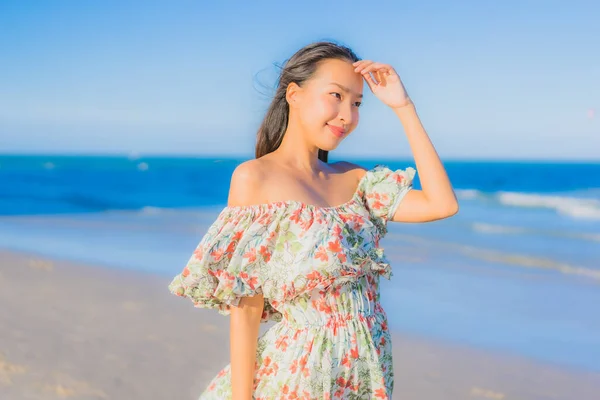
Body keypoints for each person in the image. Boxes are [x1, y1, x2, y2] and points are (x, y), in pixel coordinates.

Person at [169, 40, 458, 399]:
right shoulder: (255, 179)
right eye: (335, 95)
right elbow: (246, 306)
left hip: (366, 374)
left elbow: (441, 204)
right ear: (294, 94)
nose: (347, 115)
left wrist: (404, 107)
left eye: (356, 103)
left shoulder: (356, 182)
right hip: (299, 374)